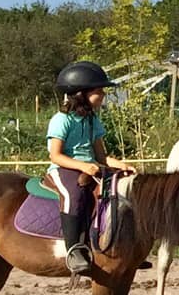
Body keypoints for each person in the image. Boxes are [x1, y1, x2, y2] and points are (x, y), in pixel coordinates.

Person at [46, 60, 133, 275]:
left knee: (121, 191)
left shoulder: (93, 120)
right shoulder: (62, 120)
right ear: (81, 93)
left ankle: (123, 245)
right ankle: (73, 249)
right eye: (98, 91)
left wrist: (121, 165)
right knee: (73, 196)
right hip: (64, 169)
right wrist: (83, 166)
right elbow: (55, 155)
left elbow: (101, 157)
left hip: (91, 168)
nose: (103, 95)